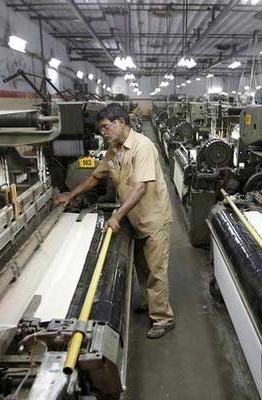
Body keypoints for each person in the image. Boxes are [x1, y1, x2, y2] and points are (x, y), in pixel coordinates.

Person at [54, 103, 175, 339]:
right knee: (141, 264)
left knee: (156, 269)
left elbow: (140, 188)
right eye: (101, 129)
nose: (103, 132)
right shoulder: (114, 149)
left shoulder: (143, 147)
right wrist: (71, 194)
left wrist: (116, 216)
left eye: (105, 127)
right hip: (134, 216)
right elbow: (96, 176)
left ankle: (163, 318)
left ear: (120, 122)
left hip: (153, 219)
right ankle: (152, 302)